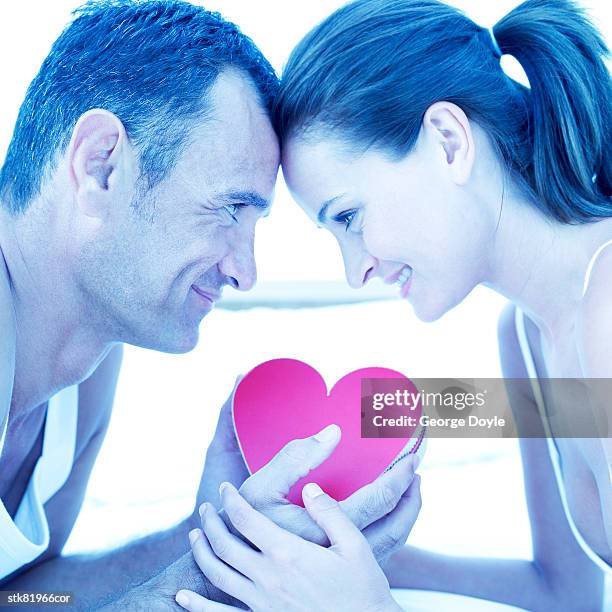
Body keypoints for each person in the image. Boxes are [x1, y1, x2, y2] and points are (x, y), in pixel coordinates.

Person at [181, 0, 611, 610]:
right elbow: (565, 595)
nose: (356, 271)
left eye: (350, 217)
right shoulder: (525, 337)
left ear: (447, 141)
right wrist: (331, 554)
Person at [0, 1, 421, 609]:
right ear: (101, 164)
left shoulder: (86, 356)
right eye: (230, 208)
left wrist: (215, 538)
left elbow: (24, 597)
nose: (244, 273)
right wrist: (217, 574)